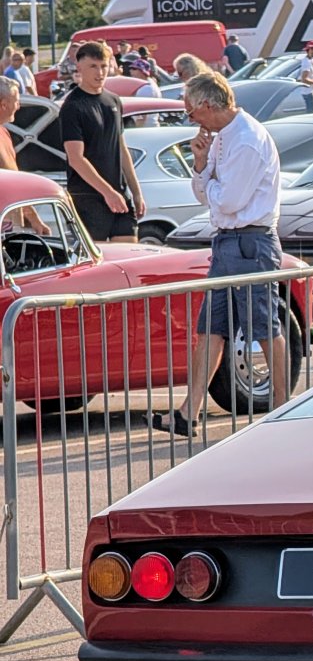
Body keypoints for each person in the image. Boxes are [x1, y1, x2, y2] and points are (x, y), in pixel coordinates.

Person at [151, 72, 285, 437]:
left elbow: (227, 201)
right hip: (229, 240)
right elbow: (208, 195)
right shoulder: (224, 137)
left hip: (251, 242)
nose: (190, 119)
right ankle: (188, 412)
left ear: (208, 105)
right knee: (211, 328)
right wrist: (201, 165)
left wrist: (208, 182)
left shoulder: (246, 140)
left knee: (264, 326)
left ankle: (283, 408)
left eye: (190, 112)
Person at [62, 42, 143, 244]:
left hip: (119, 192)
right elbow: (75, 158)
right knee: (99, 257)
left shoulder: (113, 100)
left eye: (104, 66)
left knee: (129, 253)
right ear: (79, 67)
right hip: (87, 196)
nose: (100, 72)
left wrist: (136, 192)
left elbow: (121, 148)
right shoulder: (73, 106)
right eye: (93, 66)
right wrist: (107, 193)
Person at [0, 78, 50, 233]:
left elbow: (15, 179)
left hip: (9, 220)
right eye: (16, 102)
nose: (19, 106)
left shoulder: (3, 132)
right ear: (4, 105)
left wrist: (33, 218)